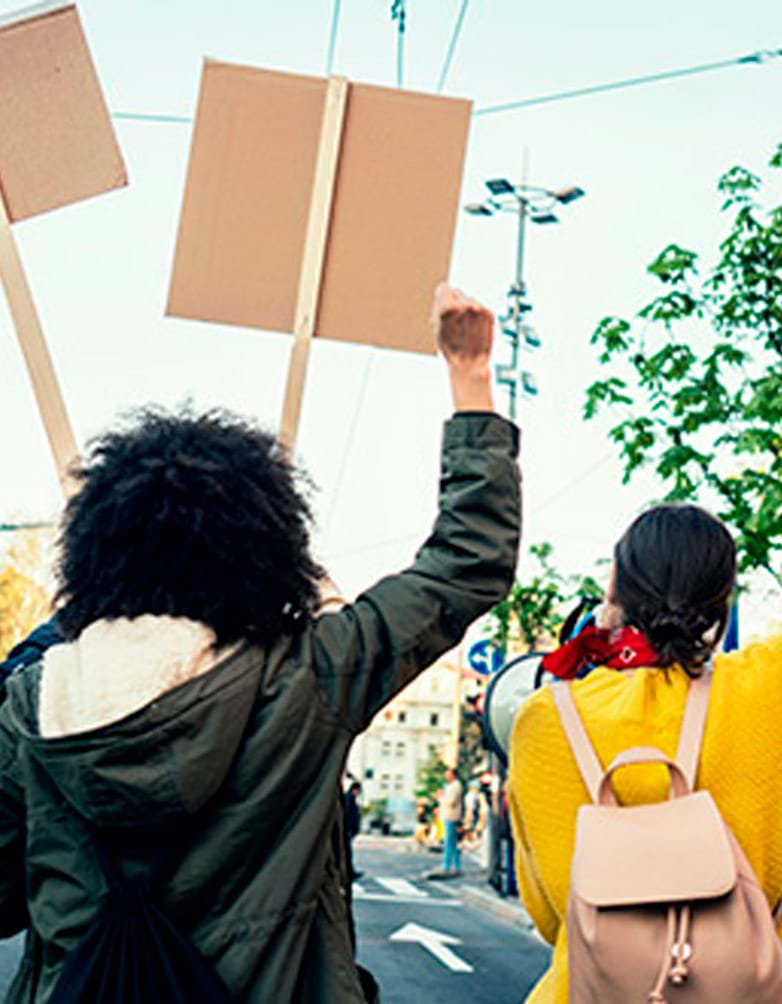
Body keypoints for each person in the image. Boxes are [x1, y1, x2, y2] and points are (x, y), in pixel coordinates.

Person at [0, 283, 521, 1004]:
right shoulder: (307, 680)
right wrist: (470, 373)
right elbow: (466, 564)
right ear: (265, 553)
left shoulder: (31, 705)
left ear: (95, 553)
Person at [508, 503, 782, 1004]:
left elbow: (549, 916)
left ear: (614, 584)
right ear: (724, 600)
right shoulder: (768, 688)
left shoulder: (544, 717)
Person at [438, 767, 463, 875]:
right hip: (448, 815)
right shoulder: (451, 786)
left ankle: (447, 865)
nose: (446, 776)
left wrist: (440, 797)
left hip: (451, 816)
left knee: (449, 842)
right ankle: (456, 865)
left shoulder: (455, 786)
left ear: (453, 775)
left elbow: (451, 801)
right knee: (452, 843)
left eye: (448, 774)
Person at [343, 780, 363, 882]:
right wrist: (348, 829)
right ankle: (349, 873)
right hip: (347, 831)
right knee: (347, 853)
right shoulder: (349, 799)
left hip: (348, 831)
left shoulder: (350, 798)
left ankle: (349, 872)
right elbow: (347, 815)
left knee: (347, 853)